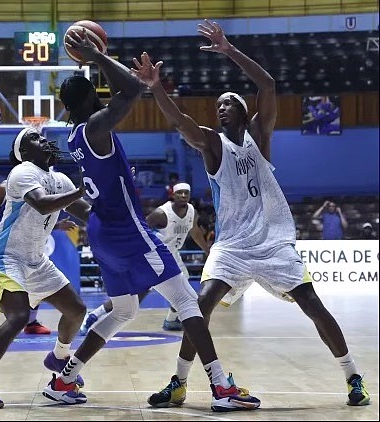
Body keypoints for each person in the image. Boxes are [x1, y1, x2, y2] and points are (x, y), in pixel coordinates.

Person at [131, 19, 370, 407]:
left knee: (314, 306)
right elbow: (181, 122)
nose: (220, 107)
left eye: (227, 103)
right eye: (218, 104)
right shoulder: (212, 144)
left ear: (243, 112)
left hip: (274, 242)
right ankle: (178, 381)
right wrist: (156, 88)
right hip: (233, 246)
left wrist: (229, 50)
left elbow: (268, 86)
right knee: (199, 305)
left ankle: (353, 376)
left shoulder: (260, 138)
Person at [42, 28, 260, 413]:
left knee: (123, 311)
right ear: (92, 98)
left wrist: (99, 61)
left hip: (103, 232)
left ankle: (65, 377)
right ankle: (221, 386)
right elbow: (130, 90)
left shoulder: (75, 135)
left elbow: (123, 93)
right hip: (127, 230)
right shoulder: (95, 128)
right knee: (187, 300)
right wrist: (99, 57)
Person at [0, 127, 93, 409]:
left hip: (35, 259)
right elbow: (43, 205)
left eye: (42, 136)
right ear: (25, 153)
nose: (42, 139)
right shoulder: (22, 172)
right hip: (5, 256)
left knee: (77, 310)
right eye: (34, 138)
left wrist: (110, 195)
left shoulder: (59, 178)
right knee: (20, 316)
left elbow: (85, 212)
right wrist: (82, 189)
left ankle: (59, 356)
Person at [79, 181, 210, 334]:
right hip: (153, 257)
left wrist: (207, 250)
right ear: (172, 195)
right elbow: (140, 230)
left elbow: (195, 232)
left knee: (183, 294)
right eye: (179, 192)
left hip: (172, 256)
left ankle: (171, 320)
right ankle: (94, 315)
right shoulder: (162, 214)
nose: (183, 195)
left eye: (186, 193)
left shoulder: (191, 211)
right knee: (132, 299)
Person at [0, 172, 65, 340]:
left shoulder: (42, 188)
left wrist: (57, 226)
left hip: (28, 242)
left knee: (34, 275)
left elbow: (37, 220)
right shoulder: (5, 187)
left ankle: (31, 323)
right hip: (3, 241)